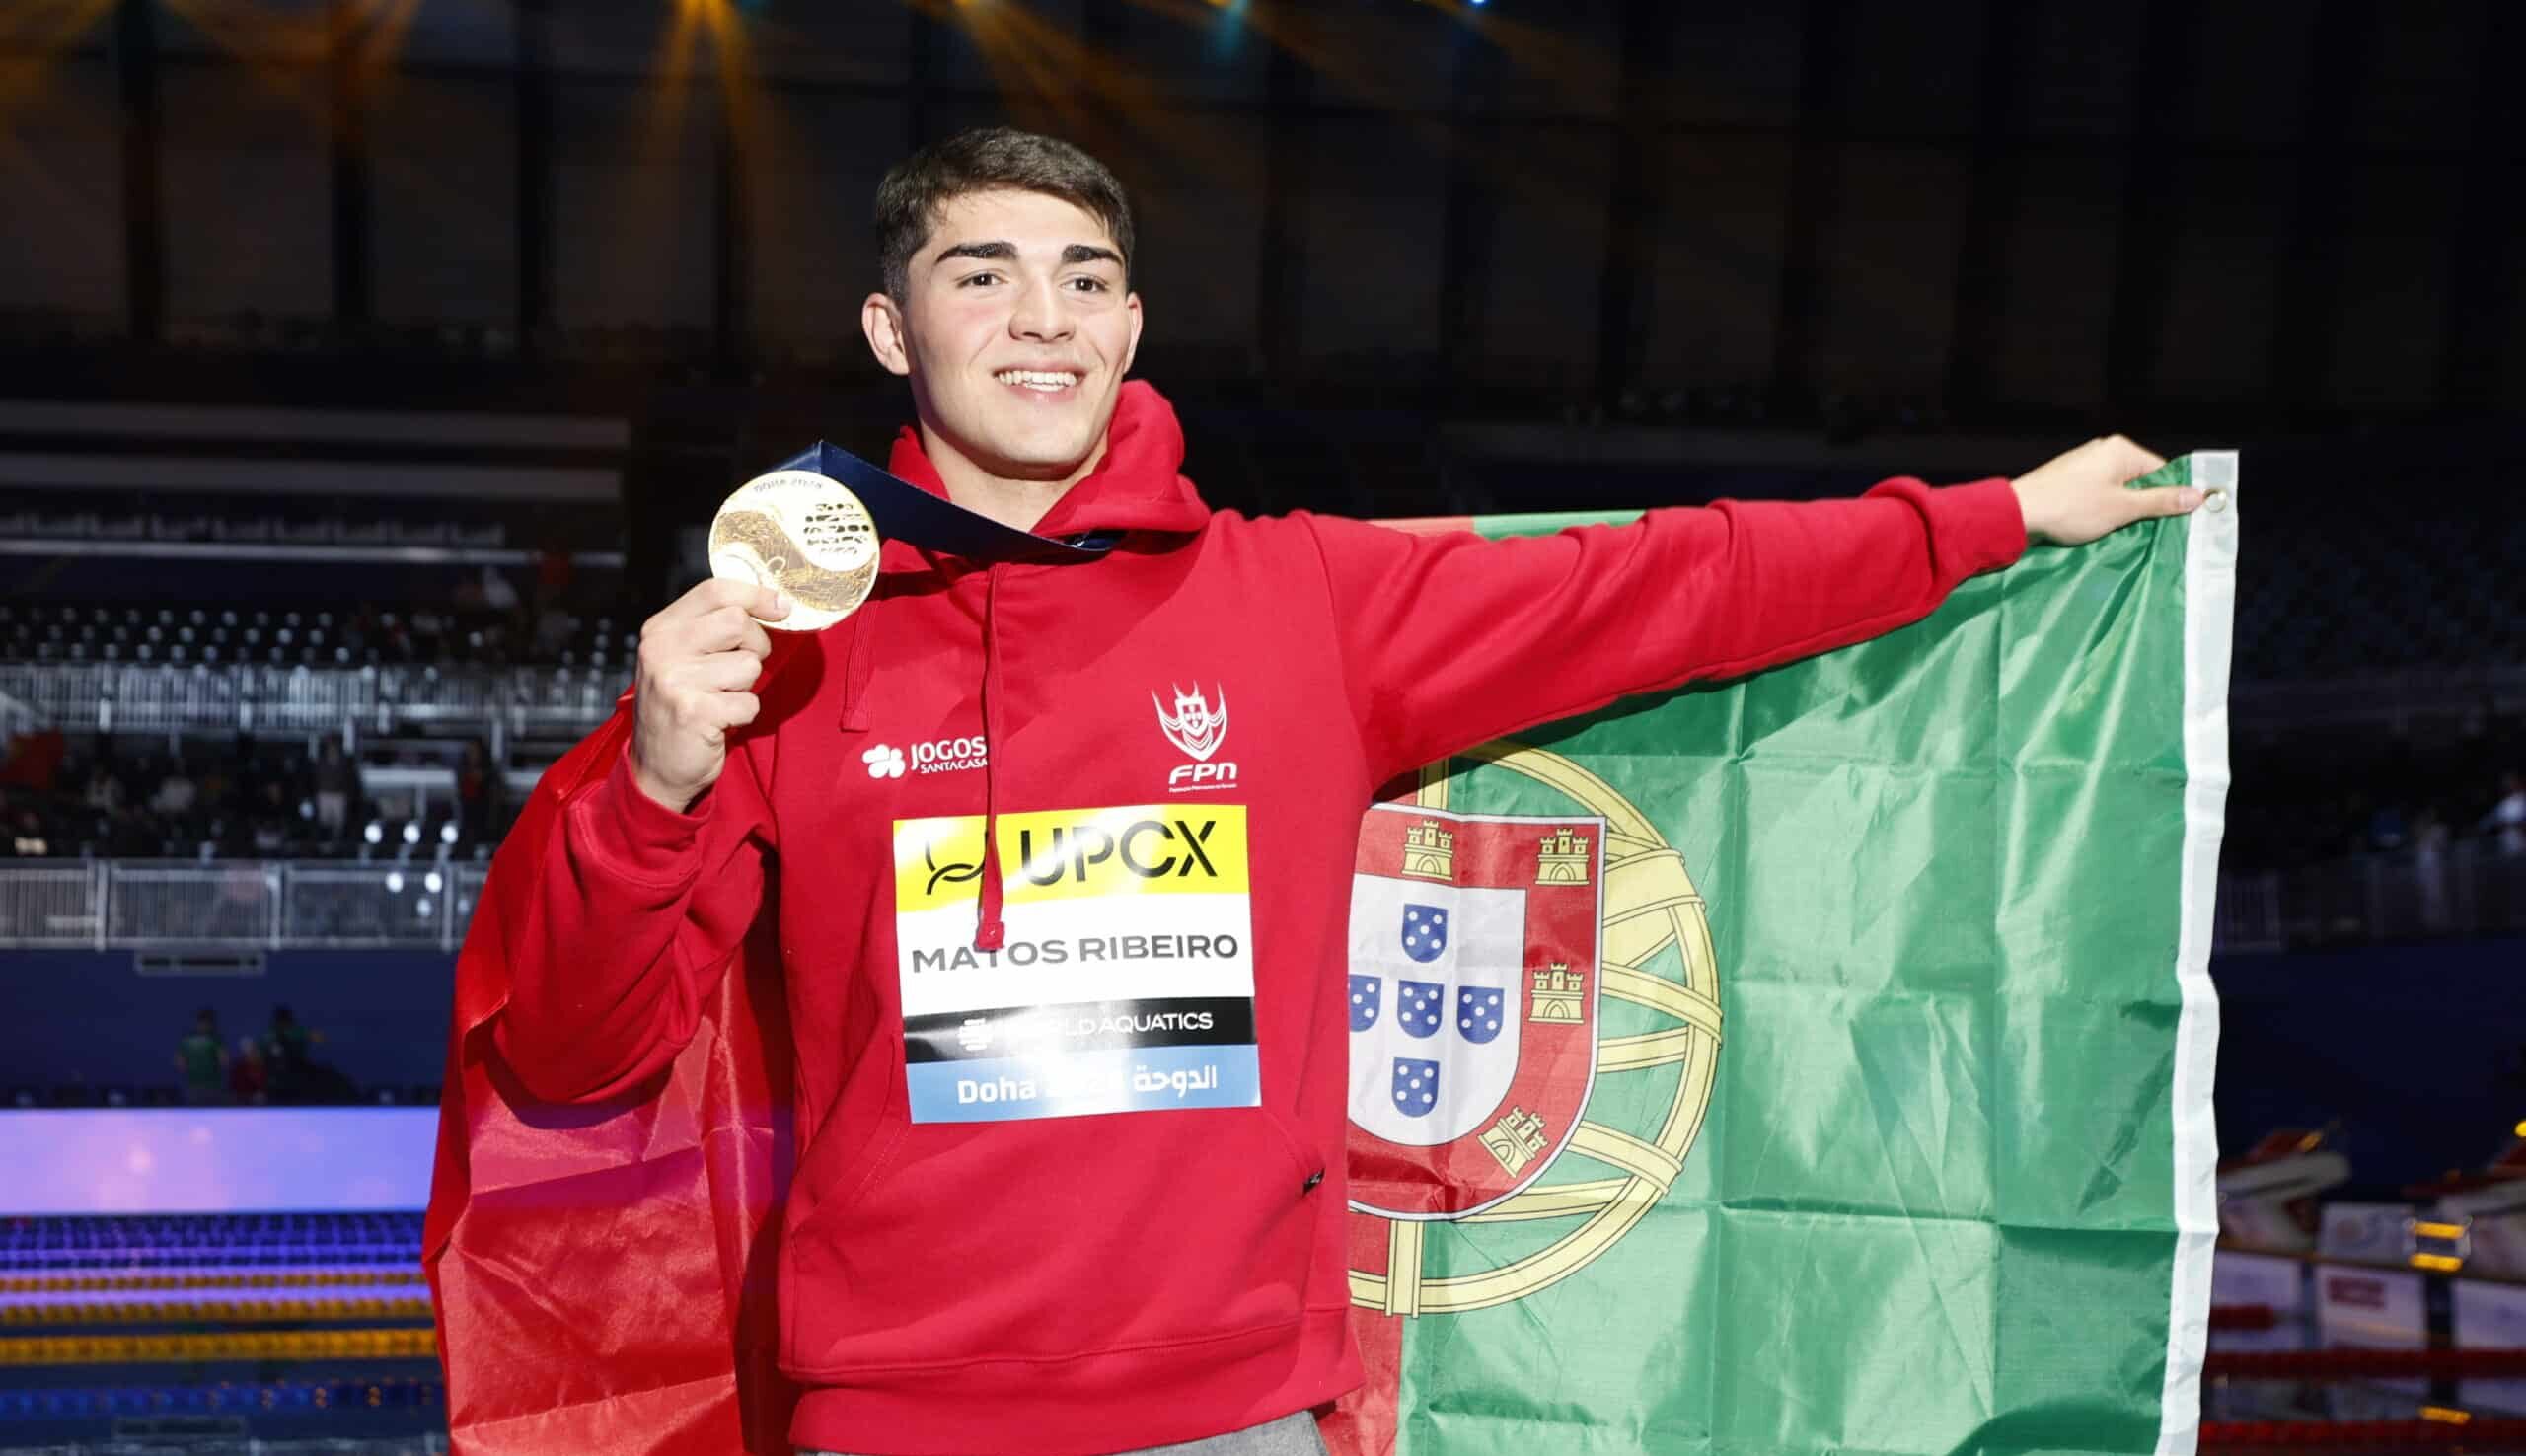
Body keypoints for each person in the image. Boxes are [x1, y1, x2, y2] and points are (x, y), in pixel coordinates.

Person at [477, 129, 2204, 1456]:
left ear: (1133, 322)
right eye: (980, 273)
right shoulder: (782, 648)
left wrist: (1987, 519)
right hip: (900, 1410)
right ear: (890, 323)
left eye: (1084, 276)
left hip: (1236, 1409)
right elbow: (572, 1057)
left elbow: (1666, 576)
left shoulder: (1301, 600)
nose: (1041, 317)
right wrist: (653, 784)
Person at [174, 1008, 226, 1106]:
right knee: (213, 1115)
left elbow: (179, 1063)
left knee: (195, 1115)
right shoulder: (215, 1039)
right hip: (211, 1085)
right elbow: (223, 1060)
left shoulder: (187, 1040)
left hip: (195, 1084)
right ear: (211, 1022)